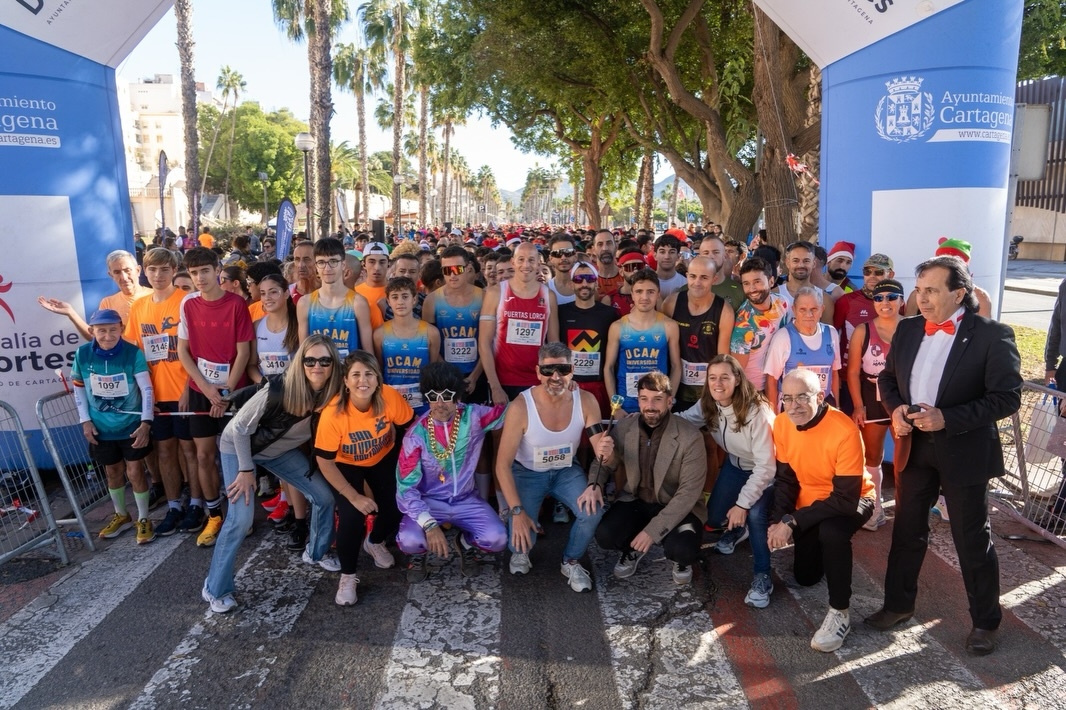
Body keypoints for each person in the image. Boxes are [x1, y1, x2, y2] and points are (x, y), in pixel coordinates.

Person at [867, 256, 1022, 657]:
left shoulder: (992, 334)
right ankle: (898, 605)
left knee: (971, 540)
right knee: (906, 531)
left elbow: (1007, 397)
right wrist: (898, 407)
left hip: (964, 450)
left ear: (959, 293)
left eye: (932, 290)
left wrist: (947, 418)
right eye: (919, 290)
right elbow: (887, 378)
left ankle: (985, 622)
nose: (923, 298)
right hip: (914, 449)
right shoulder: (908, 329)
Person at [201, 335, 345, 613]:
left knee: (324, 497)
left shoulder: (335, 390)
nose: (317, 366)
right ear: (300, 362)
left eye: (325, 360)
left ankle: (316, 552)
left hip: (278, 451)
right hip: (238, 448)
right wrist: (245, 470)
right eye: (310, 360)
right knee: (240, 519)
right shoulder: (281, 388)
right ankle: (215, 588)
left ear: (333, 365)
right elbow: (240, 428)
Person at [769, 368, 875, 652]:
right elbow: (786, 479)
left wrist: (792, 521)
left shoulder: (844, 430)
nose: (794, 406)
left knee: (832, 532)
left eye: (802, 397)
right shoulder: (781, 423)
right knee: (805, 577)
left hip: (854, 498)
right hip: (810, 502)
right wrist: (778, 520)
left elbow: (844, 500)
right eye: (787, 398)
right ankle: (822, 550)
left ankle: (840, 612)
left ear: (820, 395)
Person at [494, 343, 607, 592]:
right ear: (537, 372)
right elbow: (502, 465)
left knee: (593, 510)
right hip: (527, 472)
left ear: (572, 370)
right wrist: (516, 512)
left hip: (566, 470)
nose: (555, 377)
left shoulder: (586, 400)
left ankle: (571, 560)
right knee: (521, 542)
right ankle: (521, 548)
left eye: (562, 369)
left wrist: (597, 477)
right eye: (548, 371)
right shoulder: (520, 406)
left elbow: (601, 452)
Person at [587, 371, 707, 585]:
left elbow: (688, 494)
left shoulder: (690, 437)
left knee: (684, 550)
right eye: (644, 399)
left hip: (677, 505)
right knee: (606, 535)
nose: (650, 406)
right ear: (639, 401)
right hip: (637, 501)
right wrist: (595, 484)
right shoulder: (624, 427)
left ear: (670, 401)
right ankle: (632, 549)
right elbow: (605, 460)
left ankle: (680, 559)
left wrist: (651, 532)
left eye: (657, 399)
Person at [314, 351, 415, 605]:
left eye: (369, 374)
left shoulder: (389, 396)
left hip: (382, 456)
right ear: (345, 381)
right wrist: (354, 496)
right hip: (344, 464)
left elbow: (410, 428)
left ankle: (375, 541)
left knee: (398, 504)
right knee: (352, 516)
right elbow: (324, 461)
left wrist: (405, 465)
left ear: (378, 379)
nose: (363, 380)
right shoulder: (333, 413)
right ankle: (348, 576)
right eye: (356, 375)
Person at [678, 355, 776, 606]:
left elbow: (766, 466)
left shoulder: (757, 410)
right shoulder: (709, 403)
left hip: (766, 472)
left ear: (738, 379)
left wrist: (742, 505)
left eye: (724, 377)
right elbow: (683, 421)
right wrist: (649, 417)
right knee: (713, 518)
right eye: (712, 377)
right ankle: (736, 530)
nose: (717, 383)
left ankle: (763, 576)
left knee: (754, 515)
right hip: (735, 465)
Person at [396, 362, 509, 582]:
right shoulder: (415, 435)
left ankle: (464, 543)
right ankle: (418, 556)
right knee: (409, 540)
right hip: (429, 502)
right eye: (432, 395)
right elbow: (405, 489)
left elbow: (511, 414)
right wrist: (429, 525)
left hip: (466, 500)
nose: (439, 403)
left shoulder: (473, 416)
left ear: (457, 397)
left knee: (498, 539)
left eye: (447, 395)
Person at [176, 247, 254, 545]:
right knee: (204, 455)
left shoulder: (236, 304)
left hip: (232, 391)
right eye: (194, 273)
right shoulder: (188, 303)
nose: (199, 278)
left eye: (204, 271)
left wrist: (225, 393)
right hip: (201, 390)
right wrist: (207, 389)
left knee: (235, 455)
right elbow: (183, 351)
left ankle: (241, 516)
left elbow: (244, 351)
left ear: (216, 270)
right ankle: (214, 515)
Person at [124, 247, 196, 537]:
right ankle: (174, 505)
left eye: (164, 269)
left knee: (189, 449)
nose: (158, 275)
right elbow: (134, 352)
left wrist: (192, 387)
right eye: (152, 269)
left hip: (185, 390)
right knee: (165, 451)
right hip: (156, 394)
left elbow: (197, 350)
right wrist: (143, 395)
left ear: (174, 270)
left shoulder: (186, 302)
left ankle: (197, 502)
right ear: (144, 271)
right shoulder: (139, 307)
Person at [71, 309, 155, 543]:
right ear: (92, 331)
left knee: (135, 470)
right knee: (112, 472)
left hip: (130, 425)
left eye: (113, 330)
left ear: (121, 329)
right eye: (102, 331)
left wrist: (146, 422)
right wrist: (84, 420)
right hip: (101, 427)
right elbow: (78, 388)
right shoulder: (82, 354)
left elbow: (147, 389)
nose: (108, 336)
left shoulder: (133, 353)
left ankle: (144, 519)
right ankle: (122, 516)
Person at [846, 278, 904, 531]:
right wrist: (858, 405)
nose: (885, 302)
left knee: (906, 456)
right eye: (879, 298)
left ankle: (908, 508)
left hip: (903, 398)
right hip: (873, 396)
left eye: (891, 297)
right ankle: (875, 506)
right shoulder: (863, 330)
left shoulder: (912, 328)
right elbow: (852, 372)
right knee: (873, 454)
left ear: (901, 300)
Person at [479, 242, 560, 404]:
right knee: (503, 430)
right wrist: (495, 387)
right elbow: (484, 343)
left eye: (531, 260)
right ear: (513, 262)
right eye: (521, 259)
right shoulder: (496, 293)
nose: (526, 265)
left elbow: (554, 343)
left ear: (538, 263)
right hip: (503, 381)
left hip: (537, 381)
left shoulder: (548, 296)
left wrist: (553, 379)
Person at [604, 269, 681, 414]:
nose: (644, 297)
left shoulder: (669, 326)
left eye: (650, 292)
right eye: (639, 291)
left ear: (658, 294)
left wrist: (669, 400)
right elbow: (608, 368)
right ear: (632, 294)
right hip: (625, 406)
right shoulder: (617, 327)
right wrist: (616, 406)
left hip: (657, 405)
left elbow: (676, 366)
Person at [662, 256, 734, 411]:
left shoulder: (724, 310)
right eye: (693, 276)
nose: (697, 283)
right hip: (676, 386)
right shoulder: (671, 303)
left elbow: (723, 357)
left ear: (714, 279)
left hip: (707, 390)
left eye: (704, 277)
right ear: (687, 276)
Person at [38, 249, 152, 341]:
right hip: (129, 367)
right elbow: (97, 338)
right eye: (117, 272)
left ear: (137, 270)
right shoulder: (108, 303)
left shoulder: (155, 296)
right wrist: (71, 313)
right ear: (111, 275)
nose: (123, 277)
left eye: (127, 270)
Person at [423, 246, 486, 401]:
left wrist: (475, 376)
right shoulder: (431, 300)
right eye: (446, 270)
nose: (452, 275)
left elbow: (490, 341)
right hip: (445, 375)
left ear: (468, 269)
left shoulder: (484, 297)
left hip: (477, 374)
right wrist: (448, 372)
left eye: (457, 269)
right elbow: (429, 342)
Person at [558, 260, 620, 419]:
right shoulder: (561, 312)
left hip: (600, 388)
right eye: (578, 280)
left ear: (596, 283)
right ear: (572, 284)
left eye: (589, 279)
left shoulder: (610, 314)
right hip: (571, 386)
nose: (584, 284)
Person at [297, 237, 374, 360]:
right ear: (315, 266)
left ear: (343, 265)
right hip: (318, 375)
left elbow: (368, 353)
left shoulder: (358, 303)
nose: (327, 269)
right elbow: (303, 352)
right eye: (321, 262)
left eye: (333, 261)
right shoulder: (305, 303)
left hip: (348, 375)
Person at [373, 276, 441, 415]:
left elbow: (432, 369)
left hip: (423, 403)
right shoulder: (379, 334)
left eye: (405, 296)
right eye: (395, 297)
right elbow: (380, 369)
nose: (400, 302)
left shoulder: (431, 332)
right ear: (388, 301)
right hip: (390, 402)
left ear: (414, 300)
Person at [730, 257, 790, 392]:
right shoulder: (743, 324)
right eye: (746, 283)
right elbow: (737, 370)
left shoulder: (783, 303)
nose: (752, 289)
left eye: (757, 282)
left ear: (771, 281)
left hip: (780, 383)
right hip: (754, 390)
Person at [776, 241, 834, 325]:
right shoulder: (775, 295)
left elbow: (827, 335)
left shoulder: (825, 299)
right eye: (795, 261)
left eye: (806, 261)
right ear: (788, 263)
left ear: (813, 263)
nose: (801, 265)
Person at [355, 241, 391, 329]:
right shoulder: (355, 292)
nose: (377, 267)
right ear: (364, 264)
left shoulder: (398, 293)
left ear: (388, 264)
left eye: (382, 262)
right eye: (372, 262)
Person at [653, 234, 687, 298]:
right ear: (655, 256)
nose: (667, 257)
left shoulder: (685, 284)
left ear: (678, 256)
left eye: (672, 252)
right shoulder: (647, 283)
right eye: (662, 252)